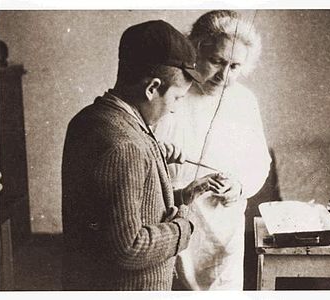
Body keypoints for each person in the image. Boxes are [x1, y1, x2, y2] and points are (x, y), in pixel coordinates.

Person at [61, 20, 226, 291]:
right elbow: (129, 248)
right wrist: (185, 226)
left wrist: (184, 196)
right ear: (152, 88)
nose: (173, 109)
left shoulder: (91, 119)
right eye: (176, 99)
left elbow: (118, 214)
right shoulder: (126, 145)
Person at [154, 10, 271, 290]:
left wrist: (239, 186)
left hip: (223, 223)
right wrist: (159, 151)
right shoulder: (173, 93)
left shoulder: (245, 101)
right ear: (196, 48)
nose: (224, 75)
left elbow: (259, 162)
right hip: (172, 216)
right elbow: (142, 150)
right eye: (216, 61)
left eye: (234, 66)